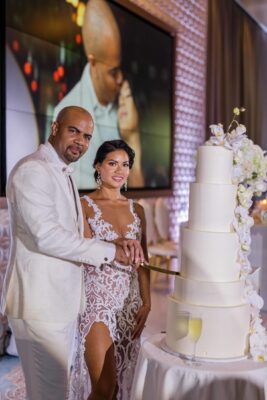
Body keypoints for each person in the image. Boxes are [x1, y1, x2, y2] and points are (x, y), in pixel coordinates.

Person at [0, 106, 144, 400]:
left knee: (54, 392)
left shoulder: (61, 172)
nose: (80, 140)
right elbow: (47, 236)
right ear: (55, 128)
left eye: (87, 136)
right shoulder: (33, 170)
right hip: (41, 305)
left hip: (61, 305)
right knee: (50, 394)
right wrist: (110, 250)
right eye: (73, 131)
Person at [68, 140, 151, 400]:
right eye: (112, 163)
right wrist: (113, 244)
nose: (120, 170)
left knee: (121, 385)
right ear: (98, 167)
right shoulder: (83, 206)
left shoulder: (137, 209)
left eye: (125, 164)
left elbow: (143, 261)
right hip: (97, 299)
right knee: (104, 387)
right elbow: (82, 251)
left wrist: (147, 302)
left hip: (129, 301)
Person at [53, 0, 144, 190]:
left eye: (121, 70)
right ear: (92, 62)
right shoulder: (66, 112)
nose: (120, 80)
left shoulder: (125, 103)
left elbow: (135, 195)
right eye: (113, 72)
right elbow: (101, 199)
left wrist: (132, 134)